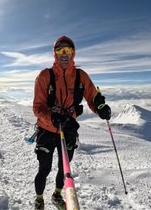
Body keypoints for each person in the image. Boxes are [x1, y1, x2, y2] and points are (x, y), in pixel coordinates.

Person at [32, 36, 111, 210]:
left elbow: (92, 96)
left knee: (63, 168)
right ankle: (39, 199)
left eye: (68, 50)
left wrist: (101, 107)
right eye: (60, 50)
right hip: (47, 129)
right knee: (44, 169)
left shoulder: (80, 76)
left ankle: (57, 195)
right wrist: (52, 118)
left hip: (67, 129)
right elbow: (38, 107)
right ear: (55, 53)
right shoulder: (45, 76)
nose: (64, 54)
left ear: (73, 53)